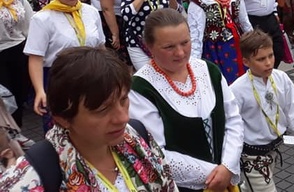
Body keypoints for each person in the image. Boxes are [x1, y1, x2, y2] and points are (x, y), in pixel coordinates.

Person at [0, 47, 178, 191]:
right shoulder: (33, 178)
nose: (123, 117)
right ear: (63, 118)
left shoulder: (137, 136)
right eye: (102, 110)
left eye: (123, 100)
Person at [129, 8, 245, 191]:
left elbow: (233, 119)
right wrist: (215, 174)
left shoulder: (208, 70)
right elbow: (156, 153)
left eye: (185, 42)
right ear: (149, 47)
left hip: (225, 180)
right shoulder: (141, 89)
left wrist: (228, 166)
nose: (180, 53)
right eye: (169, 47)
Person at [231, 30, 294, 191]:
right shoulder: (237, 89)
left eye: (270, 56)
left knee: (252, 187)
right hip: (252, 155)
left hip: (273, 149)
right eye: (261, 59)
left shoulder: (281, 78)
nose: (268, 63)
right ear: (246, 61)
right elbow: (229, 125)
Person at [25, 0, 105, 132]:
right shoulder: (42, 19)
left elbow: (100, 46)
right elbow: (36, 58)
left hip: (92, 77)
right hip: (60, 80)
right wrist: (40, 90)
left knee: (93, 127)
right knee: (62, 131)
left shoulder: (90, 12)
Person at [0, 0, 32, 129]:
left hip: (19, 51)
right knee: (5, 99)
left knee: (19, 96)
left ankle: (17, 132)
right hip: (1, 53)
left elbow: (29, 22)